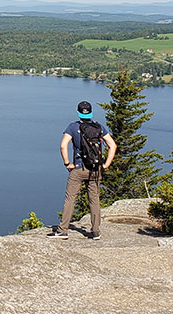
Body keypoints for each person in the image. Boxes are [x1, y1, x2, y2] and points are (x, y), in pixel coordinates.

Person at [48, 100, 116, 240]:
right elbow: (112, 146)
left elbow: (63, 146)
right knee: (94, 199)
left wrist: (67, 163)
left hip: (78, 169)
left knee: (70, 199)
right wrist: (106, 164)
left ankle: (62, 230)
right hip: (95, 170)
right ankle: (96, 231)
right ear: (90, 113)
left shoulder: (73, 127)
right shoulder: (99, 127)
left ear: (78, 113)